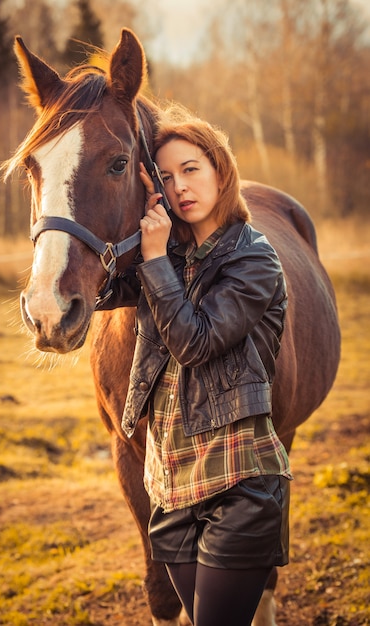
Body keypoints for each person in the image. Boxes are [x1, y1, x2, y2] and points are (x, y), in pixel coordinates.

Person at [99, 105, 292, 626]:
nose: (179, 185)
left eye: (191, 169)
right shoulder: (166, 258)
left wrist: (155, 258)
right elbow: (94, 288)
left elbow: (196, 342)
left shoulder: (254, 258)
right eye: (164, 176)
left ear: (220, 171)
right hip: (171, 488)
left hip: (238, 483)